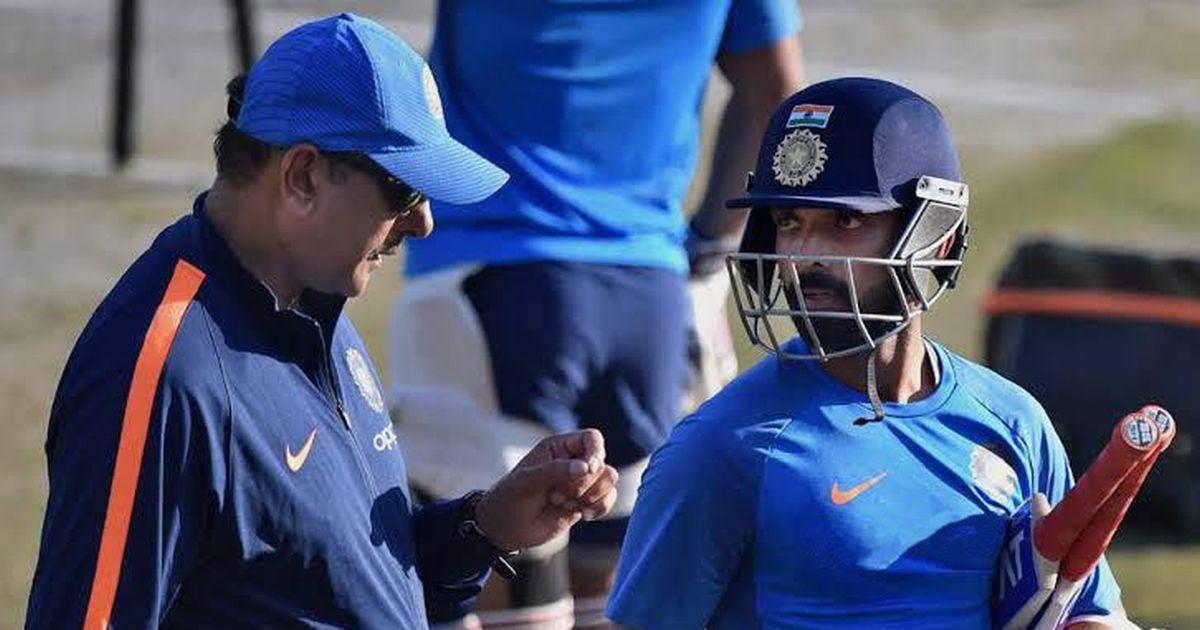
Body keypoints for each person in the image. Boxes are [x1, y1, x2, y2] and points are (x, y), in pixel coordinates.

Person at [24, 13, 617, 629]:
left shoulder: (313, 306)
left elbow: (338, 576)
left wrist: (484, 525)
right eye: (404, 190)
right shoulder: (165, 375)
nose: (423, 224)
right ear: (303, 176)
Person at [607, 78, 1133, 629]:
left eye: (846, 221)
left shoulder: (1013, 421)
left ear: (936, 237)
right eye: (788, 222)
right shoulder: (722, 450)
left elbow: (1093, 613)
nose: (806, 255)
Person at [388, 3, 805, 627]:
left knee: (488, 567)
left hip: (490, 282)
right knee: (606, 600)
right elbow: (776, 95)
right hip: (651, 294)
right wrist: (707, 245)